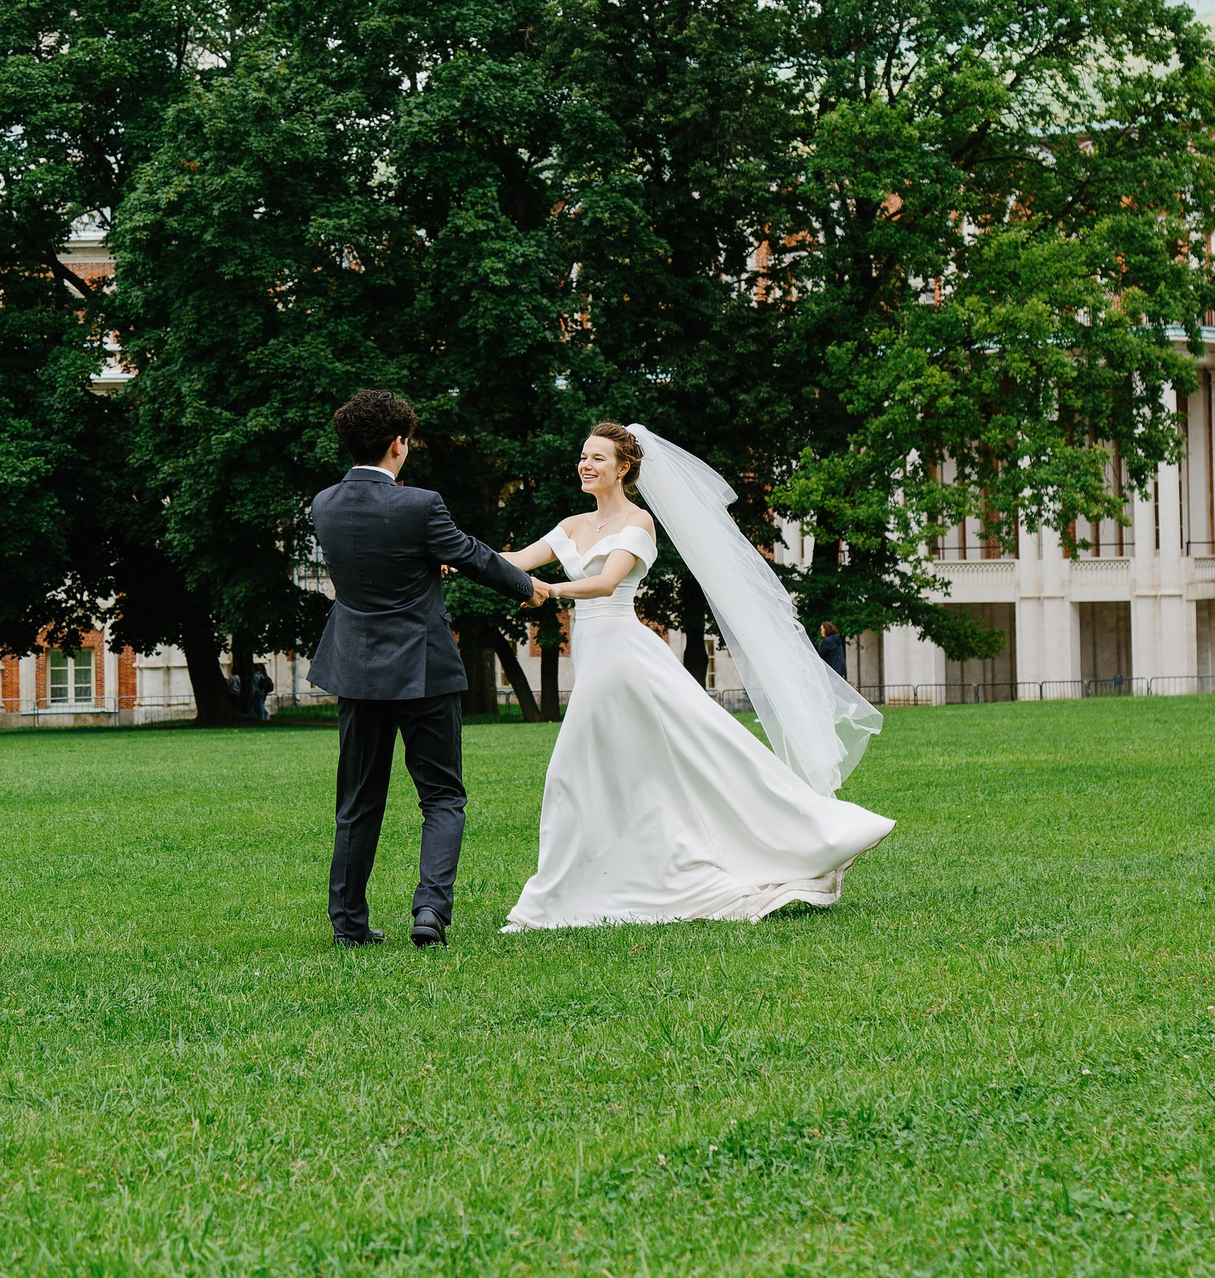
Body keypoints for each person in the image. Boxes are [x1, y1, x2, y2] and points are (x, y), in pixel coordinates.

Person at [499, 423, 894, 933]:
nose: (586, 465)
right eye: (583, 456)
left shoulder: (639, 524)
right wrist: (457, 558)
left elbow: (604, 582)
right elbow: (514, 560)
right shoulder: (572, 525)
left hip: (623, 656)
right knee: (643, 766)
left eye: (598, 458)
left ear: (624, 468)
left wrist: (550, 591)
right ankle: (608, 876)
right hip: (596, 656)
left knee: (581, 769)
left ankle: (812, 831)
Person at [308, 389, 548, 949]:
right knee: (442, 796)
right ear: (398, 444)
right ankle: (430, 913)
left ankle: (348, 925)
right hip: (423, 669)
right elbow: (470, 553)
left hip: (357, 670)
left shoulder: (323, 504)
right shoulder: (420, 505)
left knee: (357, 801)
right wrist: (527, 587)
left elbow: (378, 561)